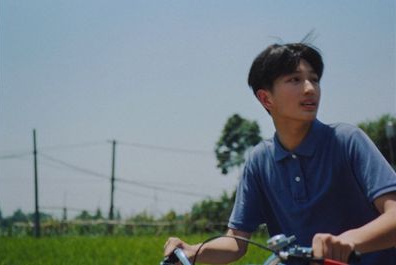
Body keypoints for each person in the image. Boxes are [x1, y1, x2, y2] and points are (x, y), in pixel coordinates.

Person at [163, 42, 396, 264]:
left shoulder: (346, 140)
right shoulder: (259, 161)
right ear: (266, 98)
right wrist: (194, 250)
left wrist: (349, 240)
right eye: (295, 79)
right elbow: (235, 243)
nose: (309, 89)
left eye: (314, 80)